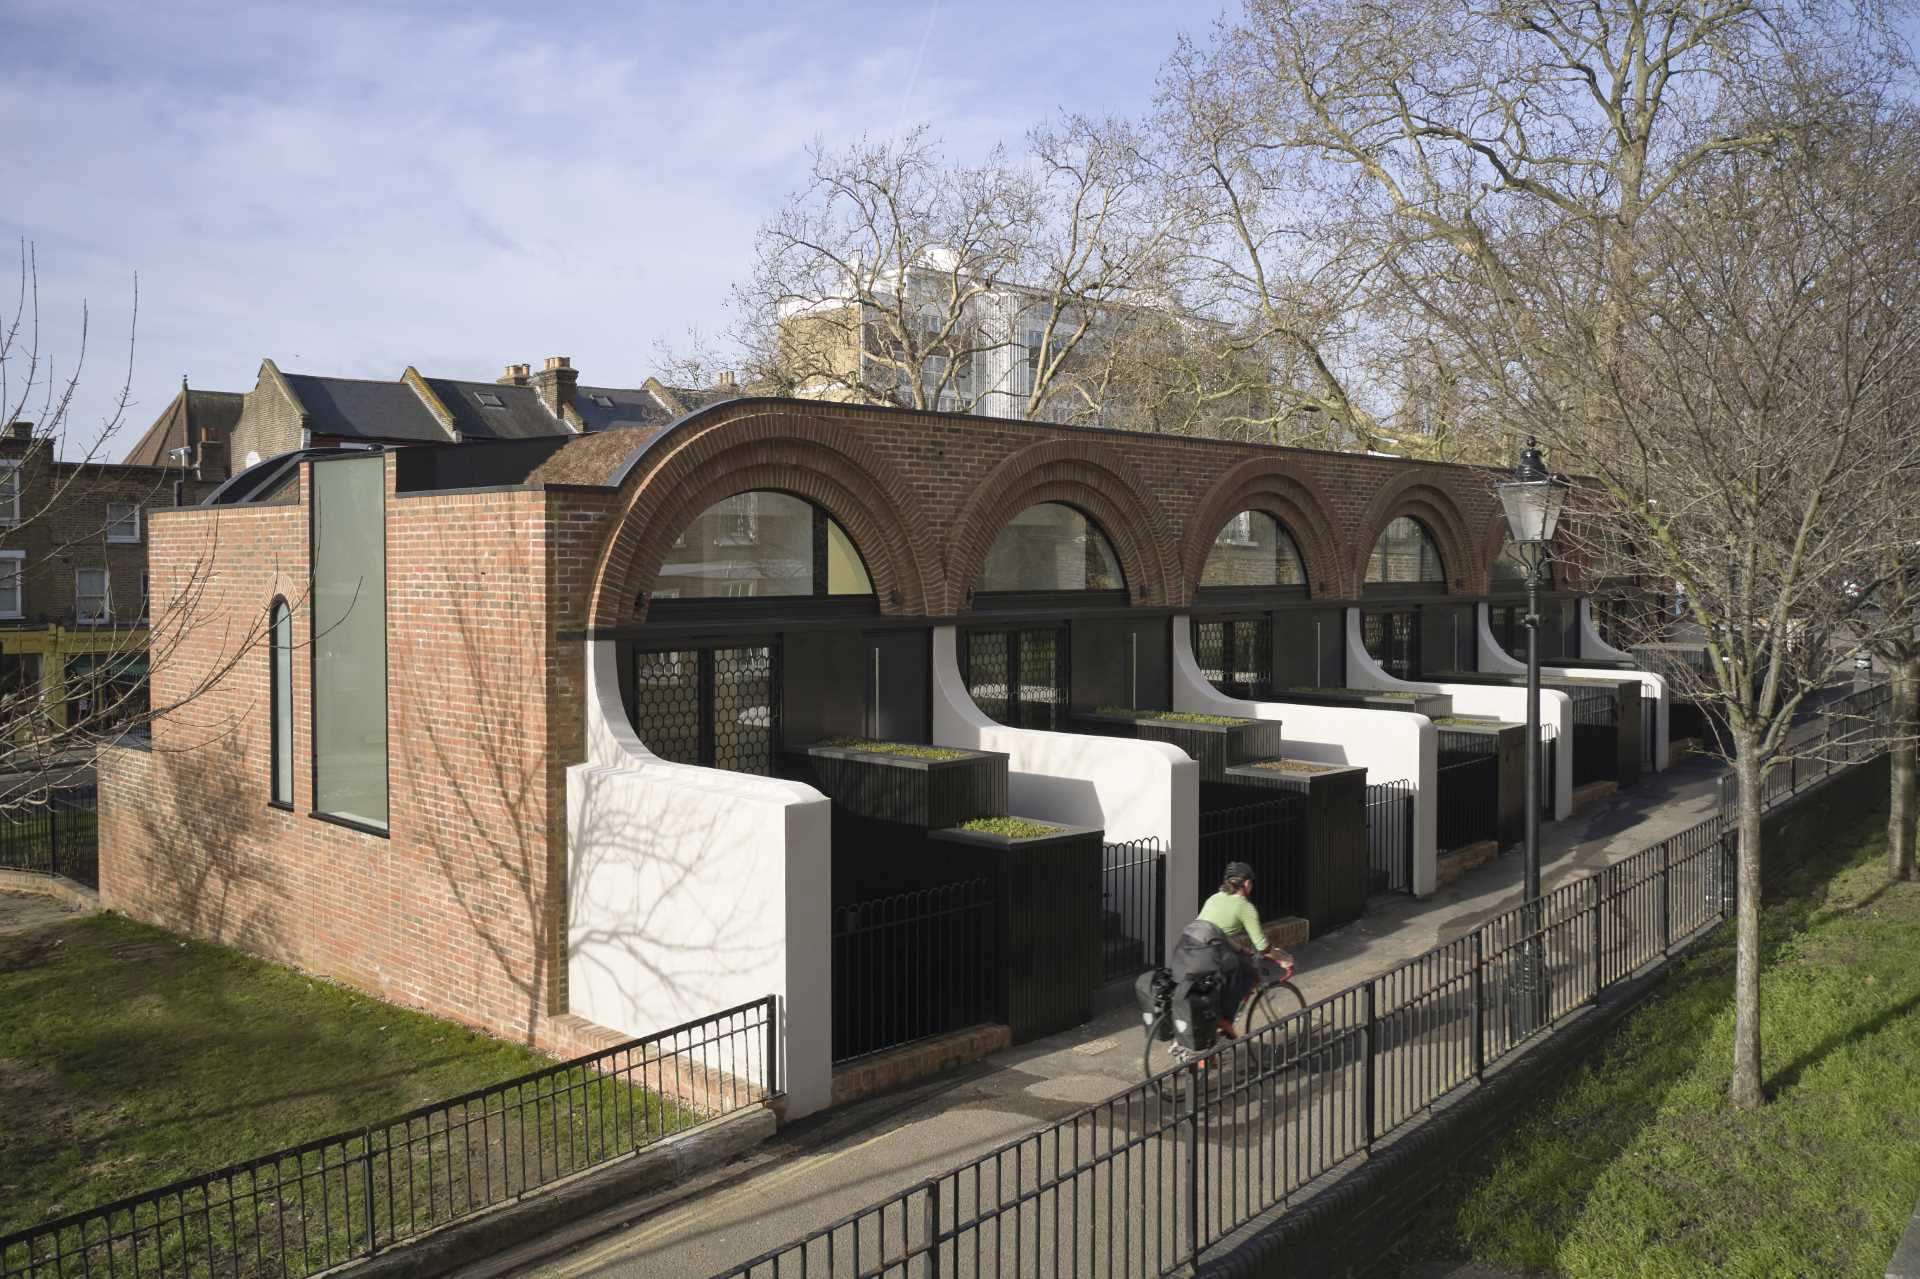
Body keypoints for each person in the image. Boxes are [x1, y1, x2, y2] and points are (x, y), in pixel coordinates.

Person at [1172, 861, 1294, 1038]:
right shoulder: (1245, 907)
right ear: (1246, 883)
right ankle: (1226, 1021)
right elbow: (1262, 946)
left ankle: (1208, 1046)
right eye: (1251, 882)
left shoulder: (1215, 898)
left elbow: (1215, 930)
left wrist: (1240, 948)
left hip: (1187, 946)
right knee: (1247, 972)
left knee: (1213, 990)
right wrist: (1282, 958)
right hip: (1211, 952)